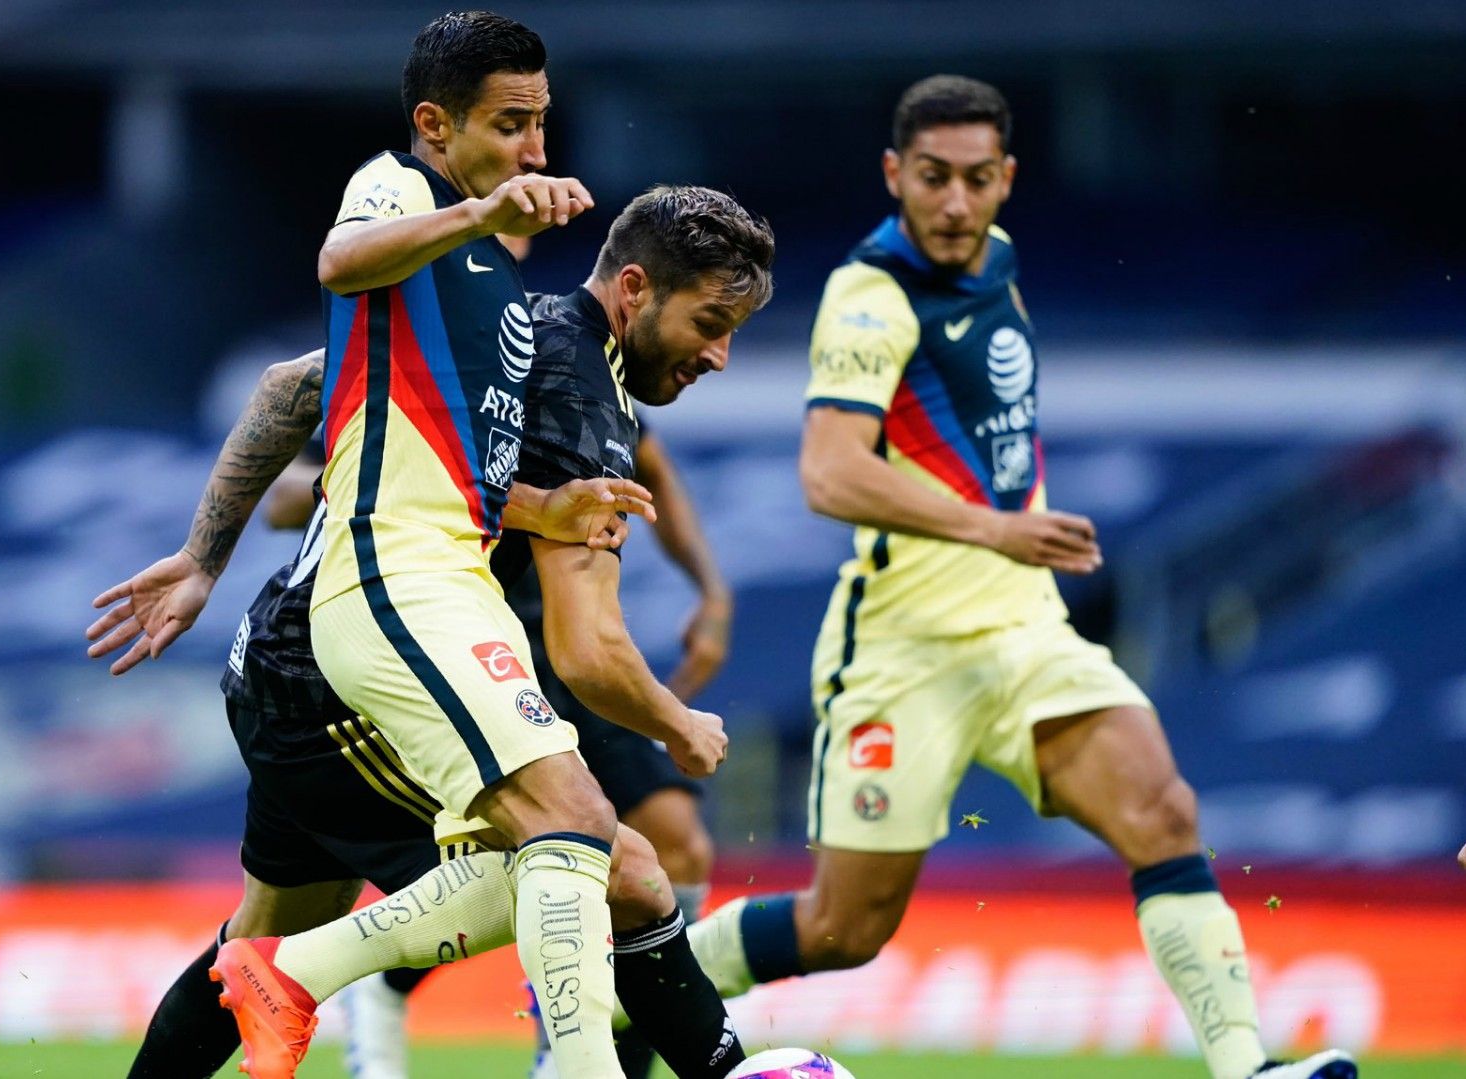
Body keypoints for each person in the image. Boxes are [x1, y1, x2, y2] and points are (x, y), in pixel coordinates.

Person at [680, 75, 1359, 1079]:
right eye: (932, 177)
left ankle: (1244, 1066)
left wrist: (1003, 539)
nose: (954, 202)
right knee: (841, 927)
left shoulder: (997, 260)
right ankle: (630, 986)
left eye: (975, 177)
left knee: (1163, 811)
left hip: (1027, 633)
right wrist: (993, 527)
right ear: (893, 174)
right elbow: (828, 472)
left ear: (1006, 177)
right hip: (903, 651)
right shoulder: (871, 296)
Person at [94, 184, 773, 1079]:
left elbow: (288, 387)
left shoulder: (508, 331)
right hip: (353, 684)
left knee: (264, 932)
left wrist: (201, 557)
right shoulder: (579, 388)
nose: (720, 356)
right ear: (636, 289)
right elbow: (588, 651)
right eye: (711, 324)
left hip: (297, 656)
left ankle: (293, 972)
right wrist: (678, 723)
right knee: (616, 865)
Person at [264, 231, 732, 1079]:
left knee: (643, 848)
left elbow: (651, 466)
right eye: (711, 325)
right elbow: (299, 469)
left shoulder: (591, 372)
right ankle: (357, 977)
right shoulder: (461, 346)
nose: (721, 356)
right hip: (429, 633)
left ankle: (575, 1050)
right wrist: (487, 495)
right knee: (575, 847)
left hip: (535, 632)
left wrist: (710, 586)